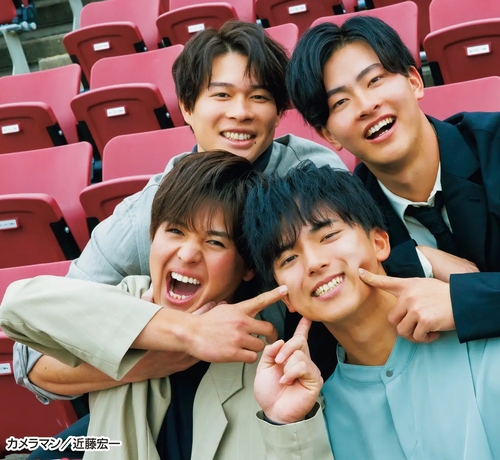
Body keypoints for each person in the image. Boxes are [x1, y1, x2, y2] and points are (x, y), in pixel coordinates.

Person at [13, 20, 346, 406]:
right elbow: (32, 359)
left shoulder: (313, 176)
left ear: (277, 112)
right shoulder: (147, 213)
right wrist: (181, 342)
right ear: (187, 107)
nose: (240, 112)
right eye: (221, 95)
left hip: (318, 384)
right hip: (182, 401)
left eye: (258, 97)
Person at [1, 150, 290, 460]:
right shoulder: (128, 296)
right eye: (175, 231)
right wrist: (186, 331)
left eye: (214, 242)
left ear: (248, 266)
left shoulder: (266, 358)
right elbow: (18, 306)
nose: (187, 254)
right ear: (152, 236)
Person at [243, 163, 500, 460]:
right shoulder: (316, 411)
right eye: (289, 259)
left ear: (379, 242)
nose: (313, 263)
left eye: (328, 236)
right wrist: (286, 424)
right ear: (285, 297)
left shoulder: (483, 345)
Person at [286, 16, 500, 346]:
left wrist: (464, 301)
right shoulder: (348, 216)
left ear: (414, 81)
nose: (366, 105)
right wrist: (421, 257)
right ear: (328, 134)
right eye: (340, 102)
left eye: (374, 80)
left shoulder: (493, 147)